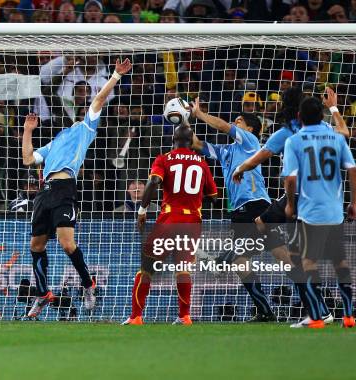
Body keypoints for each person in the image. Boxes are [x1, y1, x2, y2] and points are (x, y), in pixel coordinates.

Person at [21, 58, 132, 318]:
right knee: (36, 246)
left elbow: (98, 101)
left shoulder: (85, 128)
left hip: (65, 188)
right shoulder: (55, 140)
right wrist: (27, 130)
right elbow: (28, 159)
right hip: (44, 193)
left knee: (66, 243)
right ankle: (42, 293)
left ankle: (87, 283)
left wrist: (115, 75)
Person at [231, 86, 349, 327]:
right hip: (322, 198)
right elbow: (344, 133)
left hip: (296, 197)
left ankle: (319, 311)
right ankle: (319, 309)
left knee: (294, 257)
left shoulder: (287, 133)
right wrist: (334, 107)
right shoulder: (323, 129)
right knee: (272, 236)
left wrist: (240, 169)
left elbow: (259, 158)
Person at [189, 97, 277, 322]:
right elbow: (196, 144)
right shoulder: (225, 151)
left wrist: (200, 114)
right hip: (238, 211)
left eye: (239, 121)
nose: (234, 123)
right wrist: (183, 118)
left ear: (250, 129)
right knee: (242, 262)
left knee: (282, 255)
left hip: (257, 204)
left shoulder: (250, 142)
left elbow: (222, 126)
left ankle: (218, 261)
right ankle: (265, 311)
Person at [123, 125, 217, 325]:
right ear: (192, 142)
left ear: (172, 140)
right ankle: (184, 316)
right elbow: (214, 196)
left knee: (146, 269)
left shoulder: (164, 159)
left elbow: (154, 182)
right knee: (183, 270)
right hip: (191, 222)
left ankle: (136, 317)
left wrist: (142, 210)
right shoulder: (201, 163)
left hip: (168, 220)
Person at [282, 96, 356, 329]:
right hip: (335, 210)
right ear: (323, 116)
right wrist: (353, 203)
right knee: (340, 261)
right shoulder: (336, 138)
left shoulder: (294, 141)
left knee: (306, 261)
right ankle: (348, 315)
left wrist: (290, 205)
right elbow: (353, 170)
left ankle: (316, 317)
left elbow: (291, 178)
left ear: (298, 117)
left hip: (310, 211)